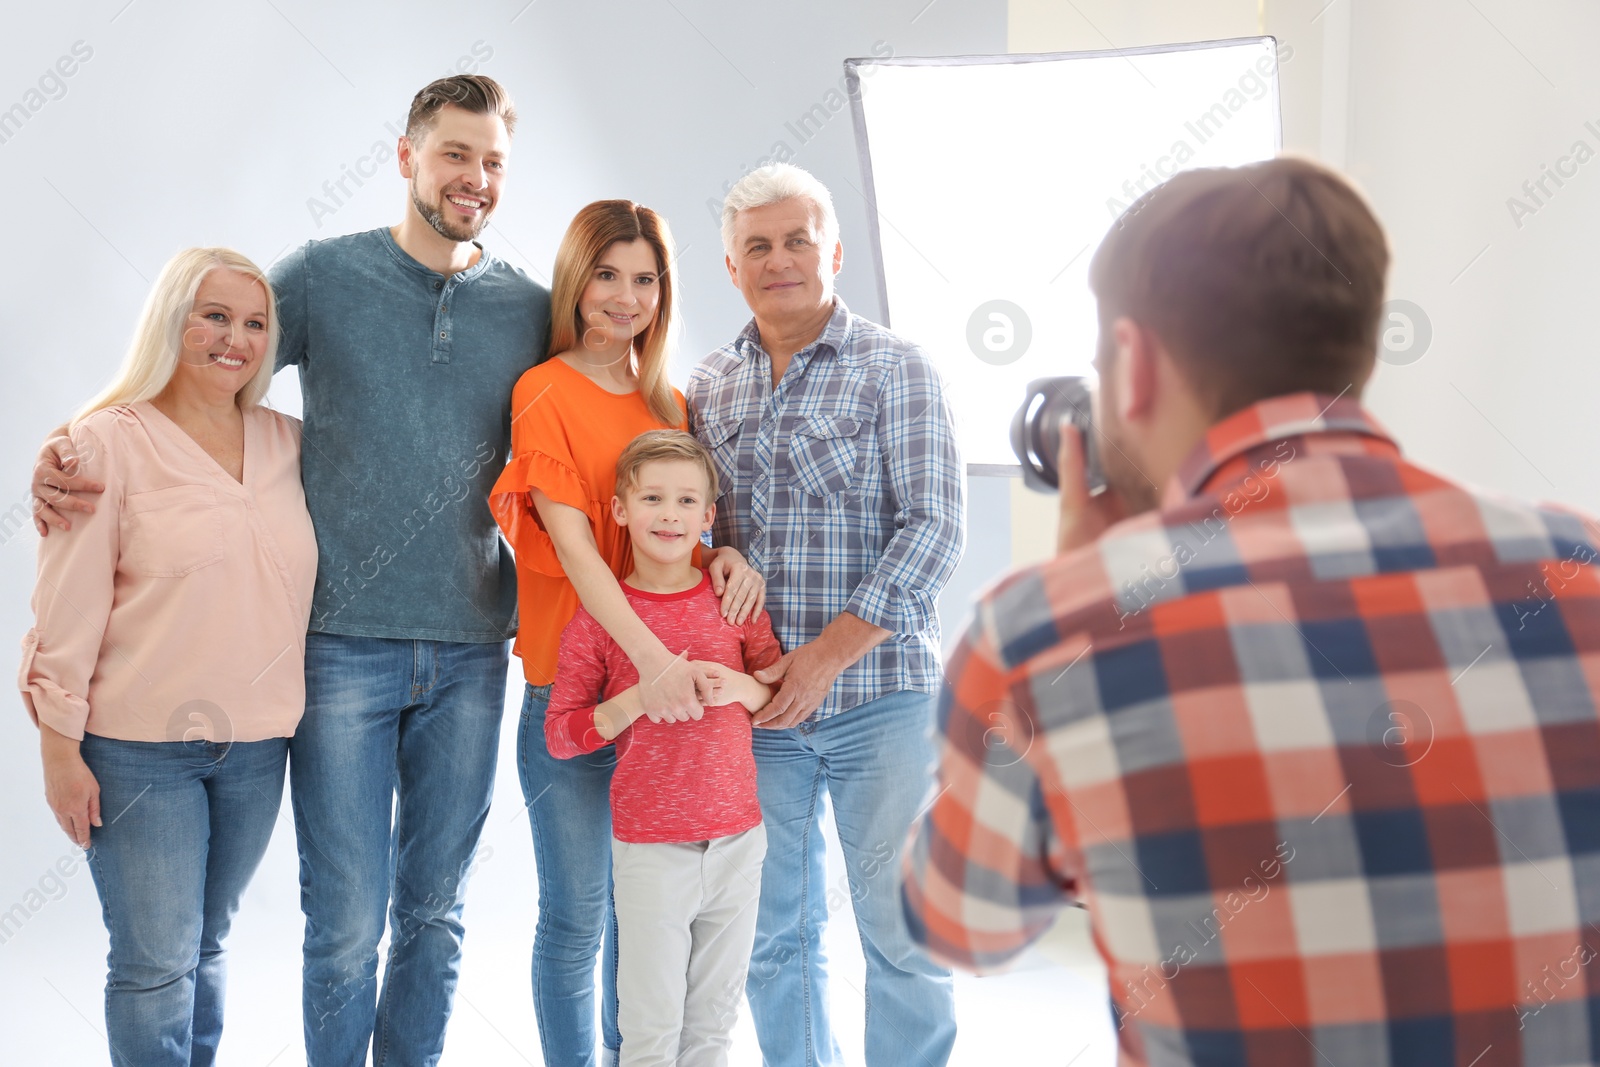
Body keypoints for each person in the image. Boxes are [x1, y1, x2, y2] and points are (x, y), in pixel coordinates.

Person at [904, 155, 1600, 1064]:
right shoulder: (1578, 564)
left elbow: (960, 925)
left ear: (1134, 364)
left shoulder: (1046, 633)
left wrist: (1080, 594)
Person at [31, 75, 548, 1067]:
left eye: (492, 162)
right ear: (405, 157)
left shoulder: (528, 308)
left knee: (435, 911)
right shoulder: (324, 275)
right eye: (453, 153)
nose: (473, 178)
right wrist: (71, 446)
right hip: (339, 646)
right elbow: (202, 355)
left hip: (477, 646)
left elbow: (599, 396)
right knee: (347, 920)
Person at [686, 162, 965, 1067]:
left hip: (881, 701)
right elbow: (702, 536)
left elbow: (935, 526)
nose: (778, 260)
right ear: (730, 268)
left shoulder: (897, 368)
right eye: (755, 247)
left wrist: (825, 659)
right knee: (772, 936)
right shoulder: (710, 386)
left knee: (903, 936)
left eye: (796, 240)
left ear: (833, 251)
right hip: (759, 713)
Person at [20, 247, 317, 1067]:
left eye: (255, 323)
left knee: (207, 945)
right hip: (138, 753)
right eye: (214, 315)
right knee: (154, 965)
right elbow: (66, 608)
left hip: (258, 747)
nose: (237, 338)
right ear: (170, 320)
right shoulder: (103, 444)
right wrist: (57, 747)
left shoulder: (291, 443)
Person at [488, 200, 763, 1067]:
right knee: (575, 914)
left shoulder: (667, 400)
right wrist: (651, 666)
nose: (625, 295)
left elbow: (670, 523)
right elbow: (577, 549)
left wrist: (725, 559)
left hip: (673, 704)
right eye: (607, 274)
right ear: (576, 279)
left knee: (643, 924)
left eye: (644, 278)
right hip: (584, 689)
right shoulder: (544, 390)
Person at [544, 429, 781, 1067]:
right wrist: (636, 703)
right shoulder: (601, 616)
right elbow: (561, 734)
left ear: (709, 516)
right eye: (651, 498)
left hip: (738, 842)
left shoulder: (733, 603)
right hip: (651, 848)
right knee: (650, 1031)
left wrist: (738, 687)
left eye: (684, 501)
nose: (668, 515)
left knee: (712, 1029)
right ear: (621, 510)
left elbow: (778, 701)